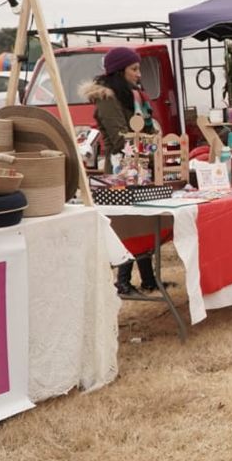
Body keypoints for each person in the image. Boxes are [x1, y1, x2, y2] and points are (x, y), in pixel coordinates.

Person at [81, 46, 159, 296]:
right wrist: (146, 141)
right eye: (134, 69)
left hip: (140, 165)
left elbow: (144, 130)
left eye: (139, 69)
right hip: (120, 171)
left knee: (144, 221)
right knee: (128, 224)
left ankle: (148, 279)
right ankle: (123, 282)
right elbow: (117, 140)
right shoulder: (107, 99)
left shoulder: (133, 96)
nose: (139, 74)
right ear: (119, 71)